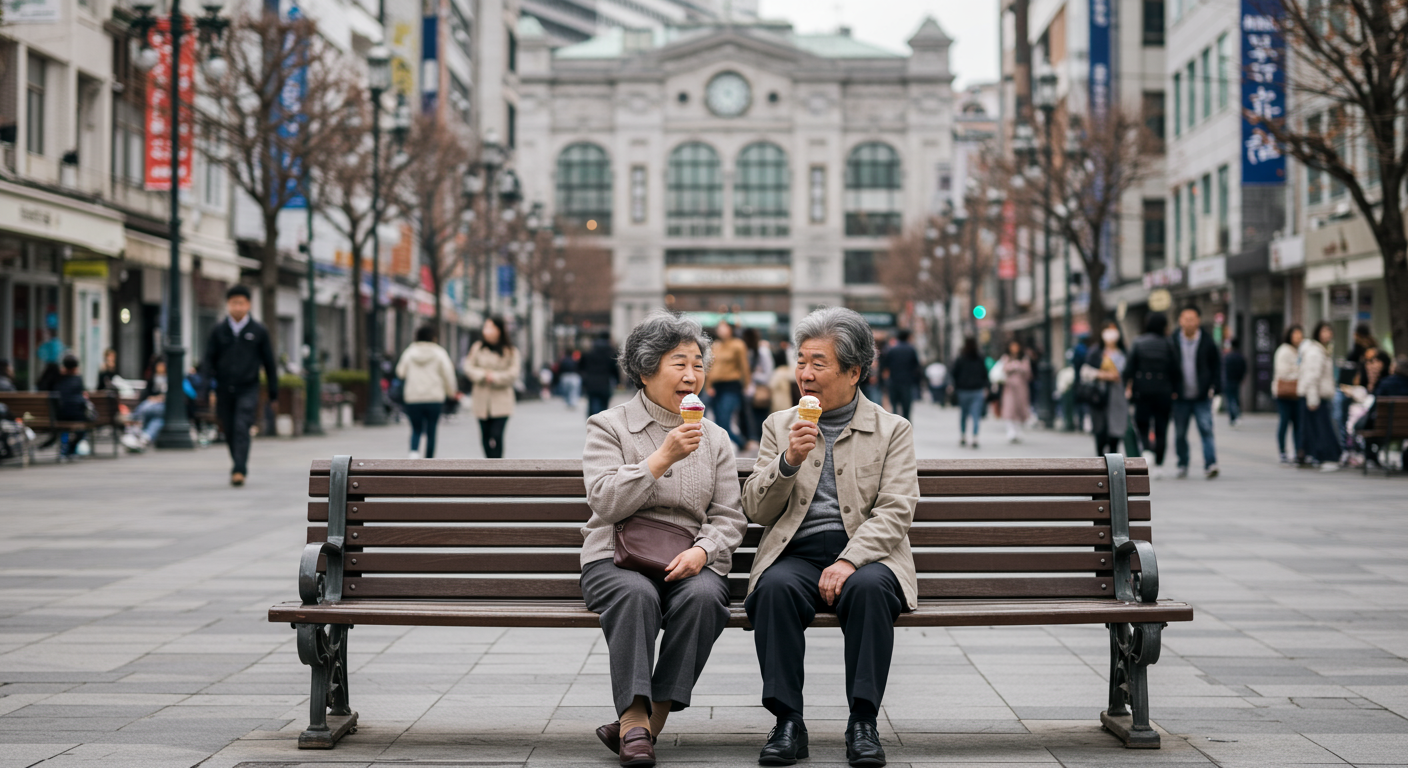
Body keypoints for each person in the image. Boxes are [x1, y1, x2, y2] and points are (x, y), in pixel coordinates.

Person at [741, 307, 918, 768]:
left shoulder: (892, 430)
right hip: (795, 553)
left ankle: (863, 721)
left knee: (870, 589)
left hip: (867, 557)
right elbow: (757, 511)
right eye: (801, 361)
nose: (805, 373)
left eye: (819, 363)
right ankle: (787, 722)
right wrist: (787, 463)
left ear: (854, 371)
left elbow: (896, 510)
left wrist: (850, 560)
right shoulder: (779, 426)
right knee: (774, 589)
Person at [580, 311, 748, 767]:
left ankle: (646, 724)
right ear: (645, 370)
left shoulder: (714, 437)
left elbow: (730, 514)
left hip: (687, 557)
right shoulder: (608, 425)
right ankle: (635, 717)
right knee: (635, 595)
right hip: (615, 557)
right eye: (679, 364)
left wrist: (703, 551)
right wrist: (660, 458)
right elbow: (604, 502)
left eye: (698, 364)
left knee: (704, 598)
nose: (692, 375)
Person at [201, 285, 278, 487]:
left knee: (242, 426)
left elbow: (269, 363)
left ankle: (239, 469)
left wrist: (273, 393)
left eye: (241, 302)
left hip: (248, 388)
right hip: (224, 388)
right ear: (228, 305)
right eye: (234, 302)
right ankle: (238, 462)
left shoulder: (258, 331)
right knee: (228, 428)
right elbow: (208, 361)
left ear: (248, 305)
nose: (237, 306)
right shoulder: (219, 331)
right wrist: (205, 388)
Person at [1169, 306, 1221, 479]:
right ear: (1180, 321)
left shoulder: (1207, 341)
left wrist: (1216, 387)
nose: (1189, 322)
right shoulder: (1173, 341)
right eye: (1185, 318)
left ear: (1198, 320)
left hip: (1202, 396)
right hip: (1180, 396)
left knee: (1206, 429)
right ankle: (1182, 464)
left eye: (1192, 318)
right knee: (1180, 433)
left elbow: (1216, 366)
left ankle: (1210, 463)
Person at [1124, 313, 1177, 476]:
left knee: (1142, 423)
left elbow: (1128, 369)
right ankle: (1159, 465)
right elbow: (1176, 369)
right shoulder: (1169, 344)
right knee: (1162, 428)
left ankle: (1147, 448)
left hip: (1142, 391)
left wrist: (1128, 385)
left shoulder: (1138, 342)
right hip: (1164, 392)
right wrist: (1175, 390)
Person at [396, 325, 459, 459]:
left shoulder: (410, 352)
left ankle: (413, 455)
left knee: (416, 429)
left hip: (413, 397)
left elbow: (400, 372)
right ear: (434, 337)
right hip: (434, 397)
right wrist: (451, 392)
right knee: (431, 430)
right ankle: (429, 462)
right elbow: (448, 374)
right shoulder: (439, 352)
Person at [463, 315, 519, 459]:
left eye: (490, 327)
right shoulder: (477, 348)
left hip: (502, 400)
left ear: (499, 330)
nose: (486, 330)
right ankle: (489, 466)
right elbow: (468, 367)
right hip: (481, 399)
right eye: (485, 327)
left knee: (497, 435)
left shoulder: (510, 351)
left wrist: (494, 377)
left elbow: (513, 373)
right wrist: (482, 375)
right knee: (485, 436)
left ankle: (498, 468)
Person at [1298, 321, 1342, 470]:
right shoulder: (1315, 352)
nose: (1327, 334)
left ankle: (1317, 456)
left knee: (1318, 428)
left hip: (1320, 396)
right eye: (1324, 331)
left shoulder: (1322, 350)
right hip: (1315, 397)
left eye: (1329, 331)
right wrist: (1312, 399)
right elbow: (1312, 377)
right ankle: (1326, 456)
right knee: (1321, 428)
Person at [1083, 321, 1129, 456]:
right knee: (1100, 432)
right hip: (1099, 396)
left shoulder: (1124, 352)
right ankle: (1101, 461)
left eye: (1114, 330)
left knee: (1115, 432)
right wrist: (1103, 375)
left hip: (1118, 397)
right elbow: (1085, 372)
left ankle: (1113, 464)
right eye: (1108, 330)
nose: (1111, 333)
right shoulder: (1095, 352)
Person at [705, 321, 750, 451]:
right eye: (719, 327)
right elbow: (710, 367)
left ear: (730, 329)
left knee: (724, 420)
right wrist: (708, 386)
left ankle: (742, 443)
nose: (720, 329)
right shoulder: (716, 345)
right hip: (716, 387)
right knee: (717, 421)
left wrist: (747, 385)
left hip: (731, 386)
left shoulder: (738, 345)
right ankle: (723, 448)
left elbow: (744, 366)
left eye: (723, 327)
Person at [1273, 325, 1304, 465]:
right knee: (1284, 422)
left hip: (1297, 393)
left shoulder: (1300, 351)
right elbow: (1283, 372)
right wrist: (1299, 372)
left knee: (1297, 423)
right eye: (1295, 334)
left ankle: (1298, 451)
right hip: (1284, 394)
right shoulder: (1284, 351)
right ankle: (1282, 451)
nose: (1298, 337)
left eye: (1300, 335)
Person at [124, 356, 169, 450]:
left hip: (162, 406)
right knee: (157, 419)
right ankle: (145, 437)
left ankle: (137, 432)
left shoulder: (169, 380)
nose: (160, 368)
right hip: (153, 405)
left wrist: (159, 398)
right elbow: (147, 394)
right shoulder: (153, 379)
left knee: (148, 409)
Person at [951, 337, 988, 449]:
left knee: (963, 414)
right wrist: (985, 387)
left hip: (963, 390)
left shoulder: (961, 358)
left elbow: (954, 373)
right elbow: (985, 374)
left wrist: (956, 386)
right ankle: (975, 437)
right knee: (976, 414)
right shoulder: (979, 358)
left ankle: (963, 435)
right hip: (977, 389)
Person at [743, 327, 775, 455]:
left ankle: (762, 444)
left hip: (759, 393)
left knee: (759, 420)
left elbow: (768, 374)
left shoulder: (762, 352)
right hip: (750, 393)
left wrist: (752, 375)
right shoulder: (750, 352)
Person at [880, 328, 922, 420]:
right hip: (907, 382)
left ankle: (896, 426)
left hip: (894, 381)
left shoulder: (892, 350)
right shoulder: (911, 350)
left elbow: (885, 366)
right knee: (906, 407)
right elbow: (917, 367)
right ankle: (906, 426)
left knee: (894, 406)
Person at [54, 354, 90, 460]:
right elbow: (83, 396)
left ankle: (64, 450)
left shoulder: (59, 379)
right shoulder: (78, 379)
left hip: (60, 414)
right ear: (76, 367)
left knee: (64, 428)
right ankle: (71, 449)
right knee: (84, 425)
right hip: (77, 415)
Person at [998, 339, 1032, 444]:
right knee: (1009, 408)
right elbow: (1004, 368)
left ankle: (1018, 431)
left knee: (1020, 408)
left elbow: (1028, 372)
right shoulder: (1006, 357)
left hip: (1021, 388)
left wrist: (1015, 366)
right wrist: (1015, 366)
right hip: (1009, 388)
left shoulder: (1024, 358)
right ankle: (1011, 431)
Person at [582, 331, 620, 419]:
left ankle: (593, 420)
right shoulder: (611, 352)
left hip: (591, 381)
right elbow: (614, 369)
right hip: (605, 381)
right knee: (604, 403)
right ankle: (601, 421)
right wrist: (618, 381)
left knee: (592, 402)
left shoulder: (590, 351)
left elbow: (581, 366)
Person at [1223, 337, 1248, 427]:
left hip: (1228, 380)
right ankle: (1237, 413)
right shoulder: (1240, 356)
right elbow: (1244, 368)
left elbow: (1224, 369)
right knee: (1236, 398)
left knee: (1230, 399)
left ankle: (1233, 416)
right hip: (1237, 381)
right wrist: (1241, 378)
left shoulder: (1228, 357)